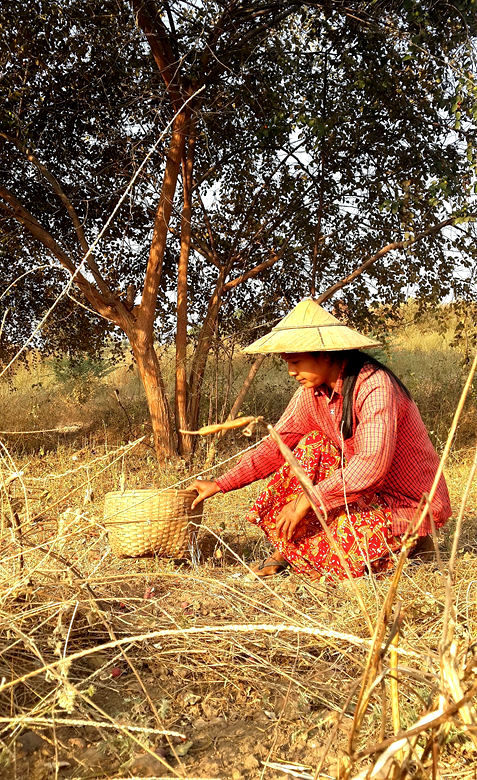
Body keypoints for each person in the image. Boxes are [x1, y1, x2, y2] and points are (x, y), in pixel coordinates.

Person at [189, 299, 451, 582]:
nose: (291, 371)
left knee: (345, 546)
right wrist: (221, 483)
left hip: (407, 504)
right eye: (287, 362)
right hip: (365, 497)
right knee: (314, 445)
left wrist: (308, 500)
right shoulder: (312, 394)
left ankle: (412, 545)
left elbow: (372, 465)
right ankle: (289, 552)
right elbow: (278, 445)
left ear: (326, 355)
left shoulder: (374, 385)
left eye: (296, 362)